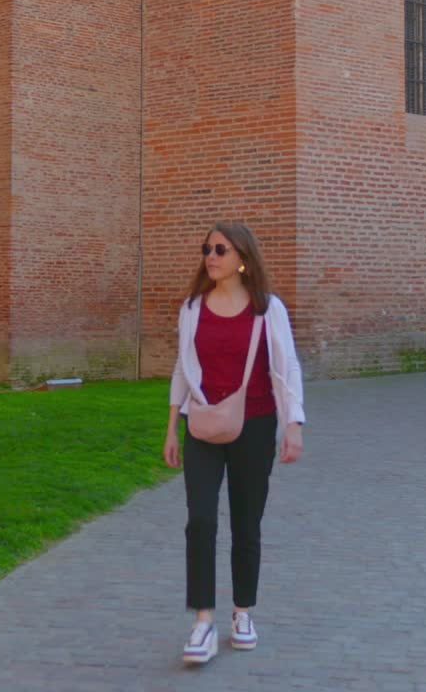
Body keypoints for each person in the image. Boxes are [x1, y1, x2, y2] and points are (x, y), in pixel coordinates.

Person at [164, 221, 305, 665]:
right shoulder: (192, 308)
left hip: (256, 425)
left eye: (220, 249)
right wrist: (172, 426)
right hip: (202, 425)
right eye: (207, 248)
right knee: (200, 521)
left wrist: (293, 423)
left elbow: (287, 367)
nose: (211, 256)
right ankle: (203, 621)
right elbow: (183, 369)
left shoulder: (267, 309)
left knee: (247, 523)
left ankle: (242, 612)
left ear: (242, 257)